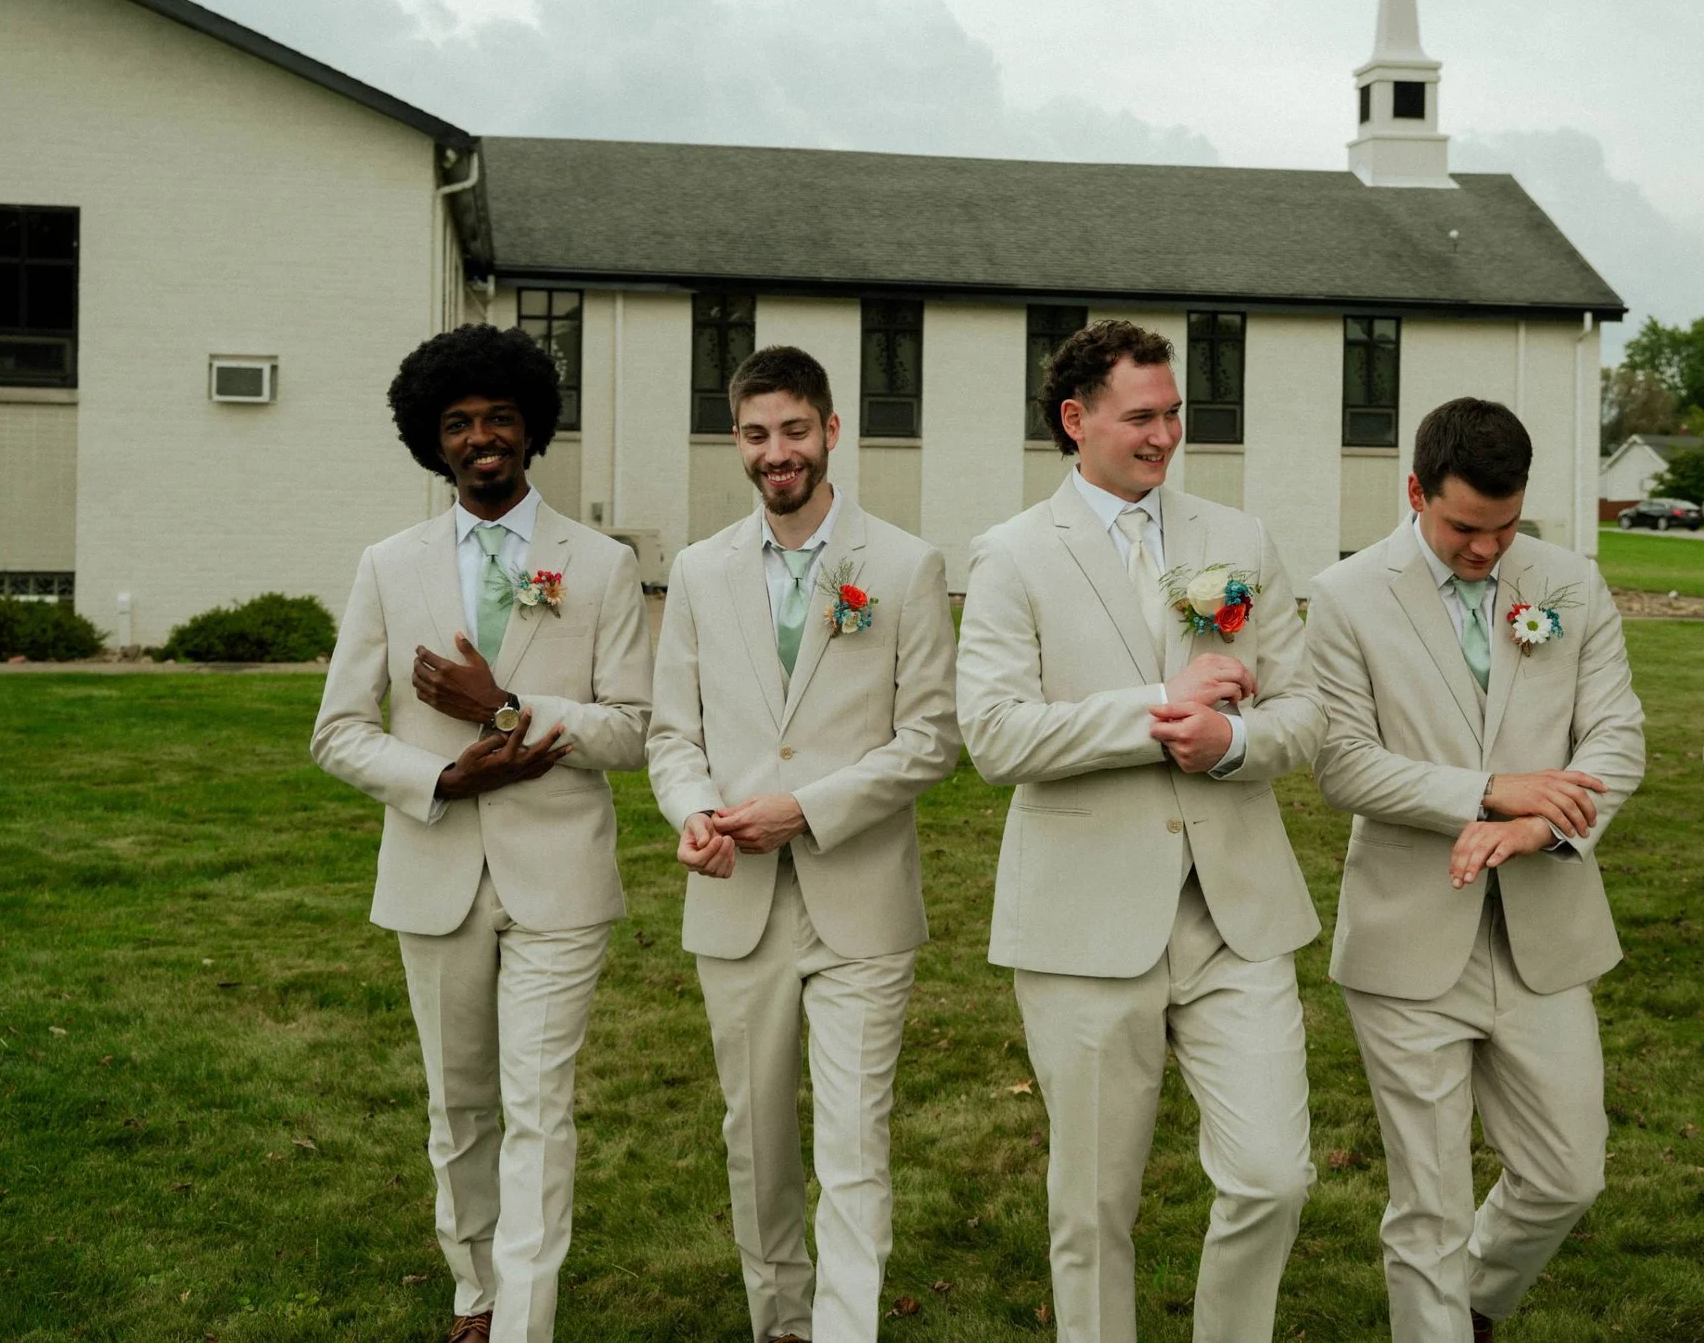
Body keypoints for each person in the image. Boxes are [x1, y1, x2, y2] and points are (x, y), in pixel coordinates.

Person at [956, 319, 1324, 1343]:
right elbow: (992, 735)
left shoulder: (1238, 543)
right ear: (1076, 420)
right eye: (1140, 416)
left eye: (1173, 415)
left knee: (1272, 1177)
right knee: (1092, 1207)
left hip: (1233, 915)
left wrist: (1234, 743)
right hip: (1083, 924)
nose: (1164, 437)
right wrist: (1159, 707)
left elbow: (1304, 711)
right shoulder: (1013, 556)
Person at [312, 323, 651, 1343]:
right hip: (433, 873)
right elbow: (337, 732)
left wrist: (507, 708)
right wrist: (442, 776)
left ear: (531, 427)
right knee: (460, 1105)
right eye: (457, 422)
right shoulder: (388, 564)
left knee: (539, 1103)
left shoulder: (600, 564)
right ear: (433, 440)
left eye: (499, 416)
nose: (481, 437)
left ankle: (524, 1324)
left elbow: (633, 730)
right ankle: (477, 1291)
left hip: (560, 879)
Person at [1306, 397, 1645, 1341]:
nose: (1487, 549)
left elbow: (1616, 735)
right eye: (1463, 527)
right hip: (1406, 934)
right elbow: (1344, 765)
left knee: (1568, 1175)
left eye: (1505, 526)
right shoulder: (1345, 597)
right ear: (1414, 491)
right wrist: (1494, 793)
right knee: (1429, 1202)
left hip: (1547, 928)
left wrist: (1542, 828)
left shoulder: (1571, 583)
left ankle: (1473, 1307)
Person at [647, 345, 959, 1343]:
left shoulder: (907, 566)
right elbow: (671, 731)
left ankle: (842, 1328)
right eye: (754, 434)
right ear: (735, 444)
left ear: (831, 432)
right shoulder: (698, 570)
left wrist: (807, 808)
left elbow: (930, 740)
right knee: (756, 1135)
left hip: (859, 899)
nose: (775, 452)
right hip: (735, 900)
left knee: (854, 1138)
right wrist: (693, 811)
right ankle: (778, 1318)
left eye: (792, 430)